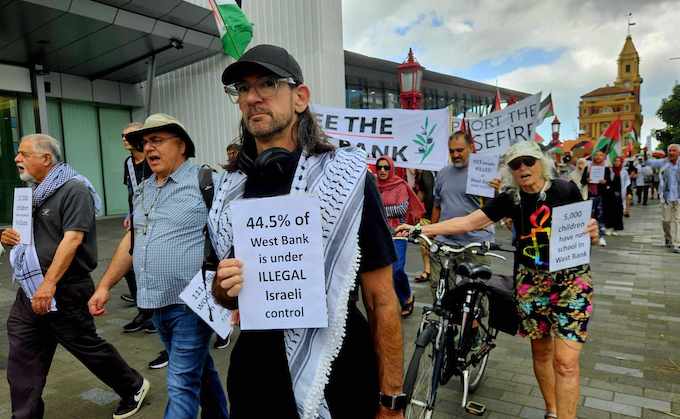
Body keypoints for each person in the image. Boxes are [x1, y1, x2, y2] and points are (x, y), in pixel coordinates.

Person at [210, 44, 405, 419]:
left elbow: (381, 299)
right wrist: (223, 288)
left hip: (339, 370)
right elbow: (219, 290)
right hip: (257, 379)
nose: (253, 97)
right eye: (242, 89)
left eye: (268, 83)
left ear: (300, 98)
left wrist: (391, 397)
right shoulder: (227, 190)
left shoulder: (347, 182)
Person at [397, 141, 599, 419]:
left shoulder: (564, 189)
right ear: (510, 171)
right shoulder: (510, 198)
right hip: (530, 282)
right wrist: (422, 228)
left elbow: (587, 226)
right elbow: (469, 222)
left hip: (571, 281)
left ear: (542, 163)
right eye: (516, 164)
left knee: (565, 363)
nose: (523, 168)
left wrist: (593, 231)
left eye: (528, 161)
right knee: (541, 352)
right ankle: (552, 411)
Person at [88, 114, 229, 419]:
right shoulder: (143, 189)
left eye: (157, 140)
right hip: (156, 304)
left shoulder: (208, 182)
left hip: (191, 304)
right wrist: (104, 286)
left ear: (181, 146)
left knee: (180, 384)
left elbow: (235, 236)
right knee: (198, 371)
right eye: (145, 142)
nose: (148, 148)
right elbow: (132, 241)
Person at [1, 134, 149, 419]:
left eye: (23, 153)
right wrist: (8, 236)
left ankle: (133, 386)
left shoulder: (74, 190)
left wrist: (49, 284)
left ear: (46, 158)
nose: (17, 159)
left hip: (64, 288)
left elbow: (72, 240)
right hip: (29, 288)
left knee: (86, 346)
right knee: (22, 353)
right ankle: (25, 414)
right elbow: (31, 237)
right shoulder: (32, 192)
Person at [375, 155, 424, 317]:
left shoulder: (400, 185)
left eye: (386, 167)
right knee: (381, 273)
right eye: (380, 167)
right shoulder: (373, 184)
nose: (382, 170)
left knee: (397, 270)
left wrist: (378, 209)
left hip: (398, 233)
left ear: (391, 168)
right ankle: (391, 302)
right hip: (380, 234)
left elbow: (401, 209)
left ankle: (407, 297)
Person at [646, 144, 680, 252]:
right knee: (666, 221)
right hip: (666, 197)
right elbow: (649, 163)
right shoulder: (664, 162)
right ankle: (668, 238)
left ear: (679, 153)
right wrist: (646, 154)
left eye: (674, 150)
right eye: (670, 150)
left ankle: (677, 244)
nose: (671, 153)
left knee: (678, 220)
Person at [413, 169, 435, 282]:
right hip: (427, 213)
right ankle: (427, 270)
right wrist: (415, 209)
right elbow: (421, 192)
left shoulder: (448, 172)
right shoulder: (426, 171)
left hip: (443, 214)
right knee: (424, 242)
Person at [585, 150, 609, 246]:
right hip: (589, 195)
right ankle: (589, 236)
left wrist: (605, 182)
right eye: (596, 155)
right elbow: (583, 180)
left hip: (600, 196)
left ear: (604, 157)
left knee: (600, 216)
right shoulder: (588, 168)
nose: (598, 157)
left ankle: (602, 237)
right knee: (589, 216)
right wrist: (586, 180)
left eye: (601, 155)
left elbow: (609, 182)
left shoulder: (606, 168)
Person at [603, 156, 630, 235]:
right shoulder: (609, 170)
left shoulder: (624, 171)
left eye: (618, 161)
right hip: (610, 194)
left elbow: (627, 183)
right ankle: (608, 227)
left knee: (618, 212)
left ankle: (616, 228)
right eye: (615, 161)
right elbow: (607, 181)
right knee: (609, 211)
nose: (617, 162)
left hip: (620, 194)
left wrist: (628, 192)